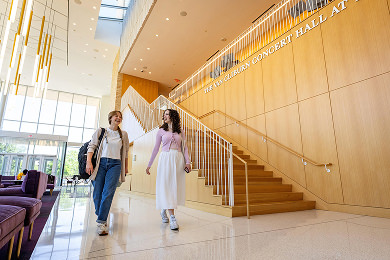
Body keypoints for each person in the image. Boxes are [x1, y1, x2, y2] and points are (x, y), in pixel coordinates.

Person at [146, 109, 191, 230]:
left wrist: (187, 162)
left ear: (172, 116)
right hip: (165, 159)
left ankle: (164, 210)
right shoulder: (161, 131)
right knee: (167, 186)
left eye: (167, 114)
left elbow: (185, 147)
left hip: (178, 159)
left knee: (174, 186)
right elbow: (156, 148)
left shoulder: (180, 131)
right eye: (164, 114)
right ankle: (172, 218)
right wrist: (149, 164)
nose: (164, 116)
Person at [86, 110, 129, 236]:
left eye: (120, 117)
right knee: (97, 193)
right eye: (116, 116)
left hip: (115, 165)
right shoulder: (101, 131)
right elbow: (92, 146)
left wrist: (125, 168)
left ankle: (101, 222)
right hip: (101, 164)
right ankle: (101, 213)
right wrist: (89, 162)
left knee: (108, 192)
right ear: (110, 118)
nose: (118, 118)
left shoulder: (124, 134)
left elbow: (125, 152)